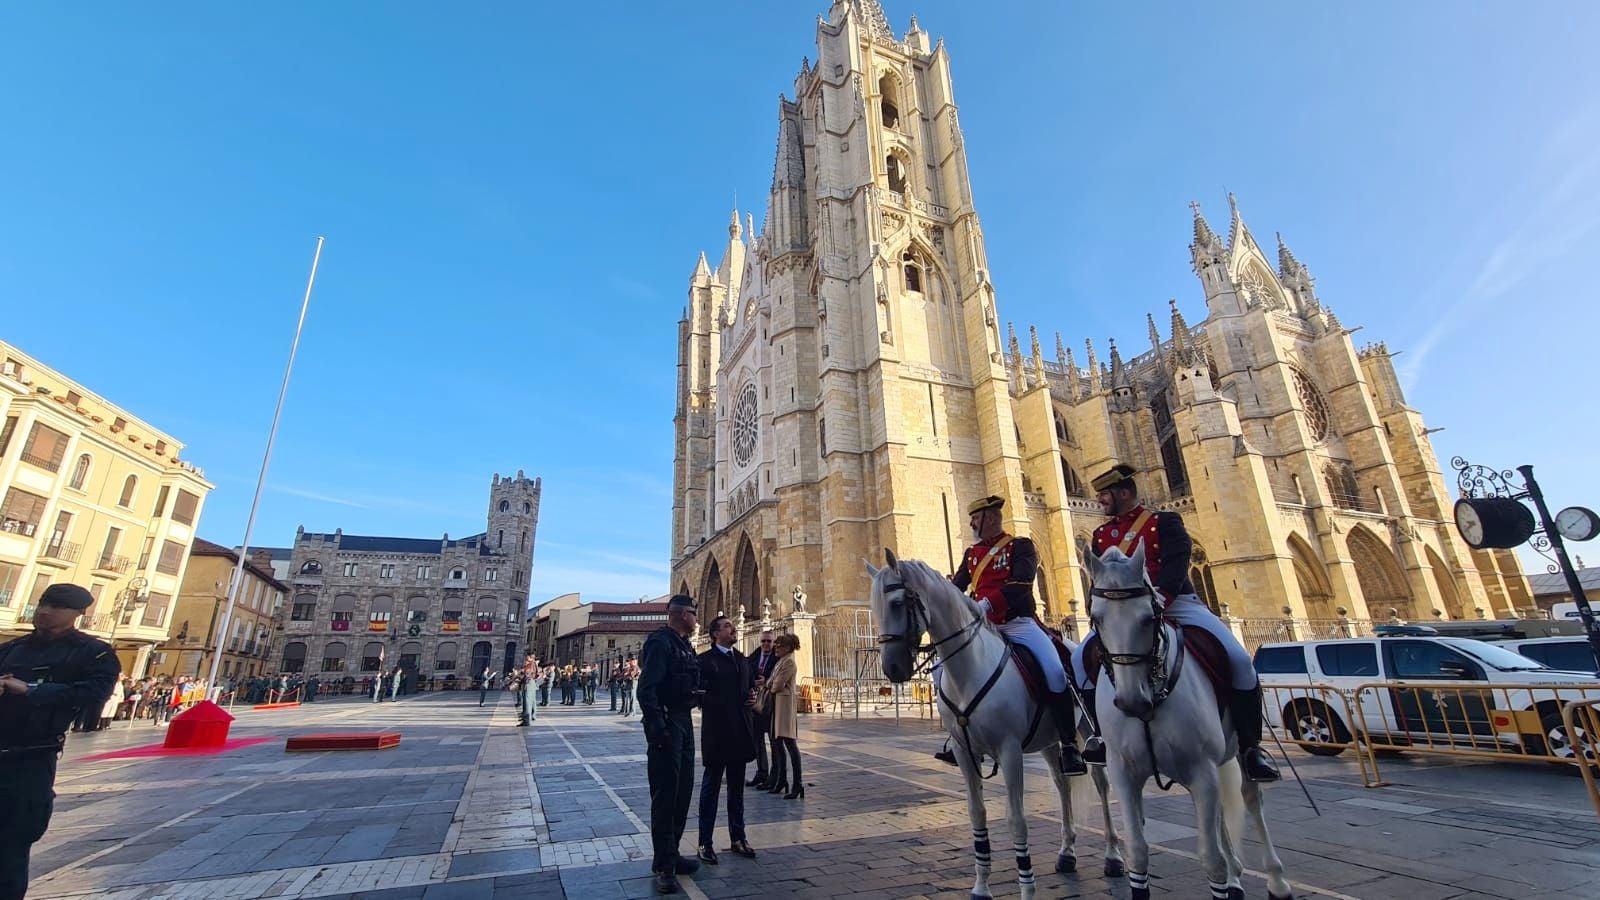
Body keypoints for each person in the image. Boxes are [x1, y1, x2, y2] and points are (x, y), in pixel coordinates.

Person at [1071, 464, 1281, 783]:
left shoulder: (1163, 522)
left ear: (1124, 493)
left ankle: (1251, 748)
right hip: (1127, 615)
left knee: (1240, 661)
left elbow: (1177, 565)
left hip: (1177, 604)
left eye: (1104, 495)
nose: (1099, 501)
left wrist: (1160, 600)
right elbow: (1099, 580)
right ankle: (1100, 736)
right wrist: (1096, 610)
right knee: (1077, 659)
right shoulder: (1100, 535)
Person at [939, 494, 1087, 775]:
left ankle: (1069, 745)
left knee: (1055, 672)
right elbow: (956, 586)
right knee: (945, 671)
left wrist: (987, 603)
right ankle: (959, 738)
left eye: (976, 517)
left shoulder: (1020, 546)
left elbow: (1021, 583)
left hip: (1019, 624)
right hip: (984, 628)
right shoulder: (972, 555)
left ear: (991, 518)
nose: (972, 522)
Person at [0, 584, 120, 899]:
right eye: (42, 604)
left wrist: (31, 690)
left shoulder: (94, 653)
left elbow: (94, 693)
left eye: (55, 607)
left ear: (77, 614)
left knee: (11, 846)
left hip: (30, 757)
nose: (44, 611)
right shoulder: (11, 649)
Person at [638, 594, 704, 894]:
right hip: (667, 723)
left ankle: (673, 853)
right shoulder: (660, 643)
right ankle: (664, 865)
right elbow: (646, 689)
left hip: (684, 720)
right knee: (666, 794)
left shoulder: (684, 644)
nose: (696, 618)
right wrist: (657, 728)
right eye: (693, 613)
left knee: (683, 790)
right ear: (679, 614)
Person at [695, 616, 759, 865]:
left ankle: (738, 837)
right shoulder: (705, 661)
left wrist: (752, 696)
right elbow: (700, 697)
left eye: (732, 626)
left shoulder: (742, 660)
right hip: (717, 733)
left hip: (740, 731)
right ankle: (704, 842)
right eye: (727, 626)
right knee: (710, 789)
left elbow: (750, 687)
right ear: (714, 635)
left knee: (737, 789)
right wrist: (730, 701)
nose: (733, 629)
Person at [763, 633, 804, 799]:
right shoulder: (780, 661)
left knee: (789, 743)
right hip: (776, 706)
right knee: (777, 743)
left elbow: (775, 685)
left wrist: (771, 685)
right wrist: (770, 684)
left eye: (779, 645)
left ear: (787, 648)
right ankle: (781, 780)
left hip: (784, 706)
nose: (776, 647)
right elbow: (771, 682)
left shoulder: (789, 662)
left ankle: (797, 783)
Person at [745, 631, 778, 789]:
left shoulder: (778, 658)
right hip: (756, 705)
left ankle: (774, 775)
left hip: (771, 705)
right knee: (757, 740)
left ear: (773, 643)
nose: (766, 644)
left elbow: (778, 679)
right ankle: (761, 772)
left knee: (773, 741)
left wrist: (766, 681)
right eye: (763, 641)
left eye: (769, 641)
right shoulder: (754, 656)